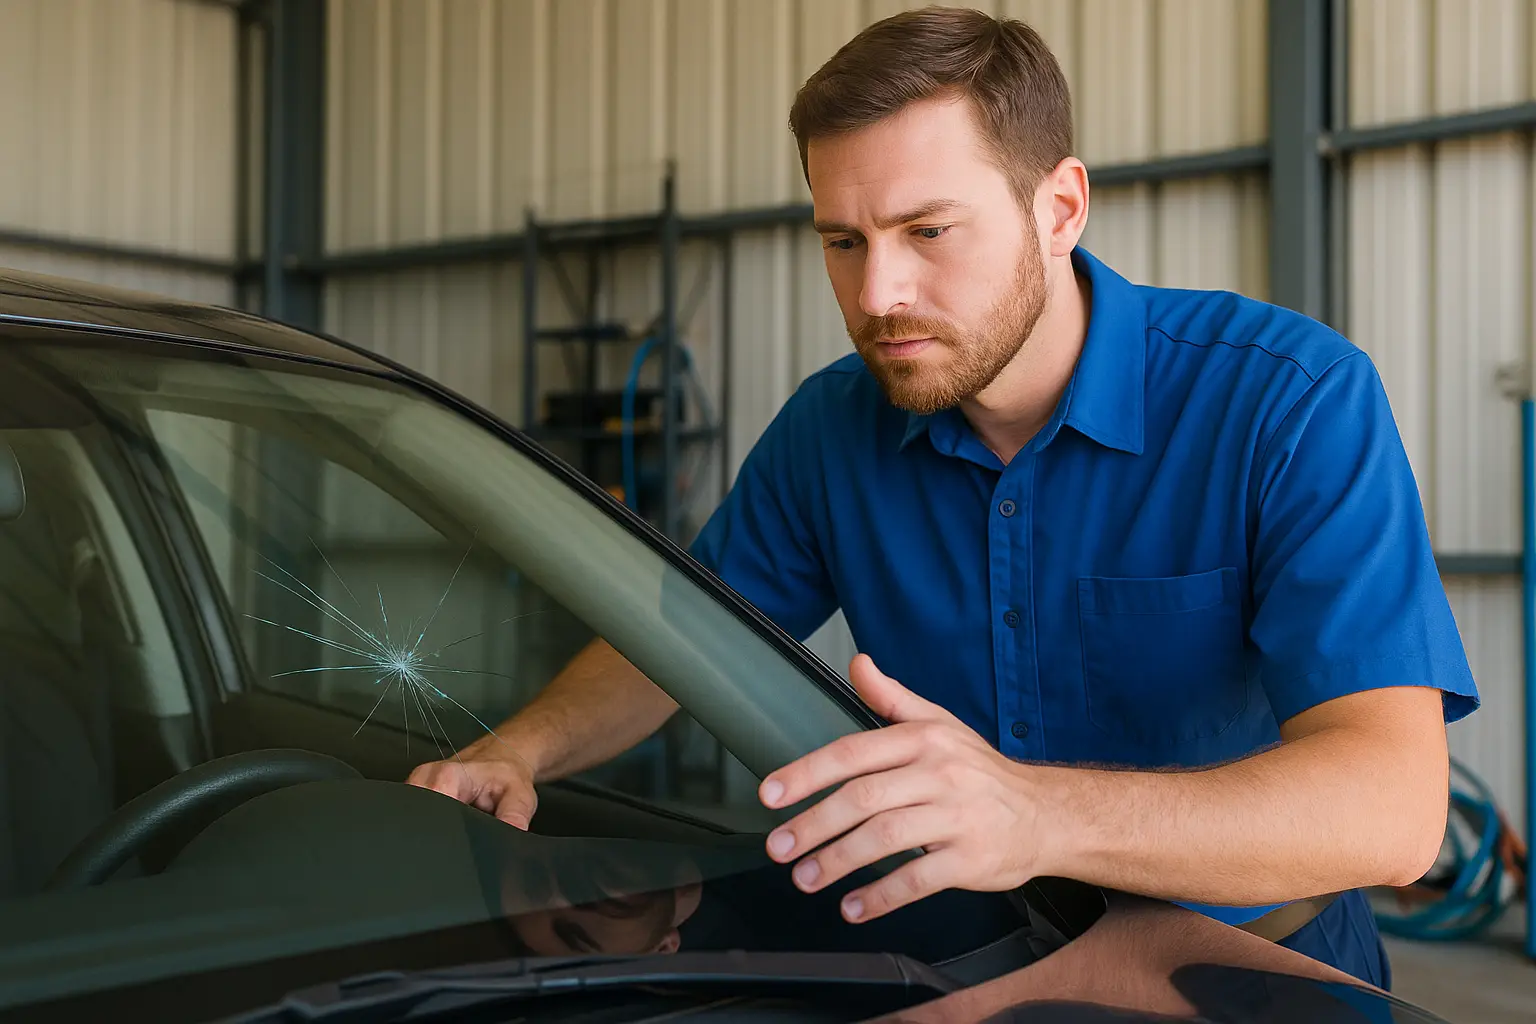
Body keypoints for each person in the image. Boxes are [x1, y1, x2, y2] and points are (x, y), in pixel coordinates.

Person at [409, 7, 1479, 990]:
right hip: (957, 954)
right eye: (843, 241)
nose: (877, 296)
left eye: (928, 231)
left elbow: (1391, 807)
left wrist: (1033, 811)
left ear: (1059, 208)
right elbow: (675, 634)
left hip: (1247, 971)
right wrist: (521, 748)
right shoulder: (832, 430)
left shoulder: (1287, 401)